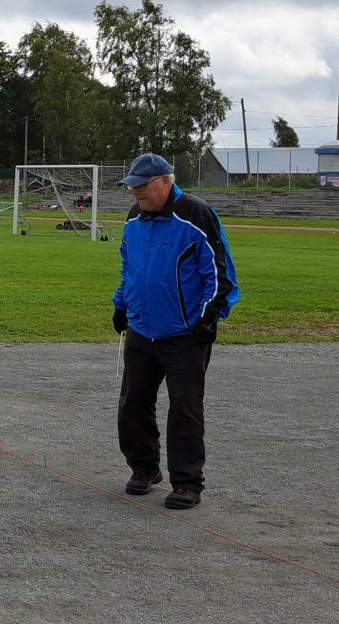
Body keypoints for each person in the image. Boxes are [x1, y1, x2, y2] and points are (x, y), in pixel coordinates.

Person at [112, 153, 239, 511]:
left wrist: (209, 318)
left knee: (185, 409)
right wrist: (121, 304)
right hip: (141, 328)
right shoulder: (134, 218)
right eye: (132, 186)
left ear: (166, 181)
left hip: (185, 333)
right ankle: (144, 468)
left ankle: (186, 482)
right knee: (133, 404)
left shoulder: (196, 214)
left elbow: (220, 275)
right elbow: (129, 267)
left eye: (143, 185)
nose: (136, 192)